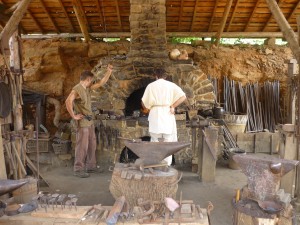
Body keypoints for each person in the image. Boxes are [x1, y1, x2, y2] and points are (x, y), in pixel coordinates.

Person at [65, 65, 113, 178]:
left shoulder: (87, 88)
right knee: (82, 145)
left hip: (90, 121)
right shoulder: (77, 89)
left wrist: (109, 72)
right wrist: (74, 116)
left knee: (92, 143)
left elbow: (101, 83)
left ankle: (91, 166)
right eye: (91, 80)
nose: (92, 82)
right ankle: (78, 169)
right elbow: (68, 101)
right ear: (88, 79)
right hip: (82, 122)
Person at [141, 68, 186, 165]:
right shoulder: (171, 85)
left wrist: (148, 107)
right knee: (167, 142)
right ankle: (166, 166)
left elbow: (144, 103)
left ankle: (155, 164)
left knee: (154, 140)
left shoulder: (151, 86)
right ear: (165, 76)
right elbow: (183, 96)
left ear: (155, 76)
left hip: (155, 114)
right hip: (167, 113)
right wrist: (173, 106)